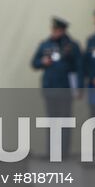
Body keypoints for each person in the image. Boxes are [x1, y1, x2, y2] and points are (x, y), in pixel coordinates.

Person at [31, 17, 80, 157]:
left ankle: (64, 152)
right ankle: (52, 152)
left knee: (64, 121)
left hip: (65, 89)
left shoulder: (72, 46)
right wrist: (42, 61)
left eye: (57, 30)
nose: (54, 32)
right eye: (53, 29)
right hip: (50, 88)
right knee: (52, 121)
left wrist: (79, 88)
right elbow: (34, 63)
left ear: (63, 31)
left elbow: (79, 67)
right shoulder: (45, 44)